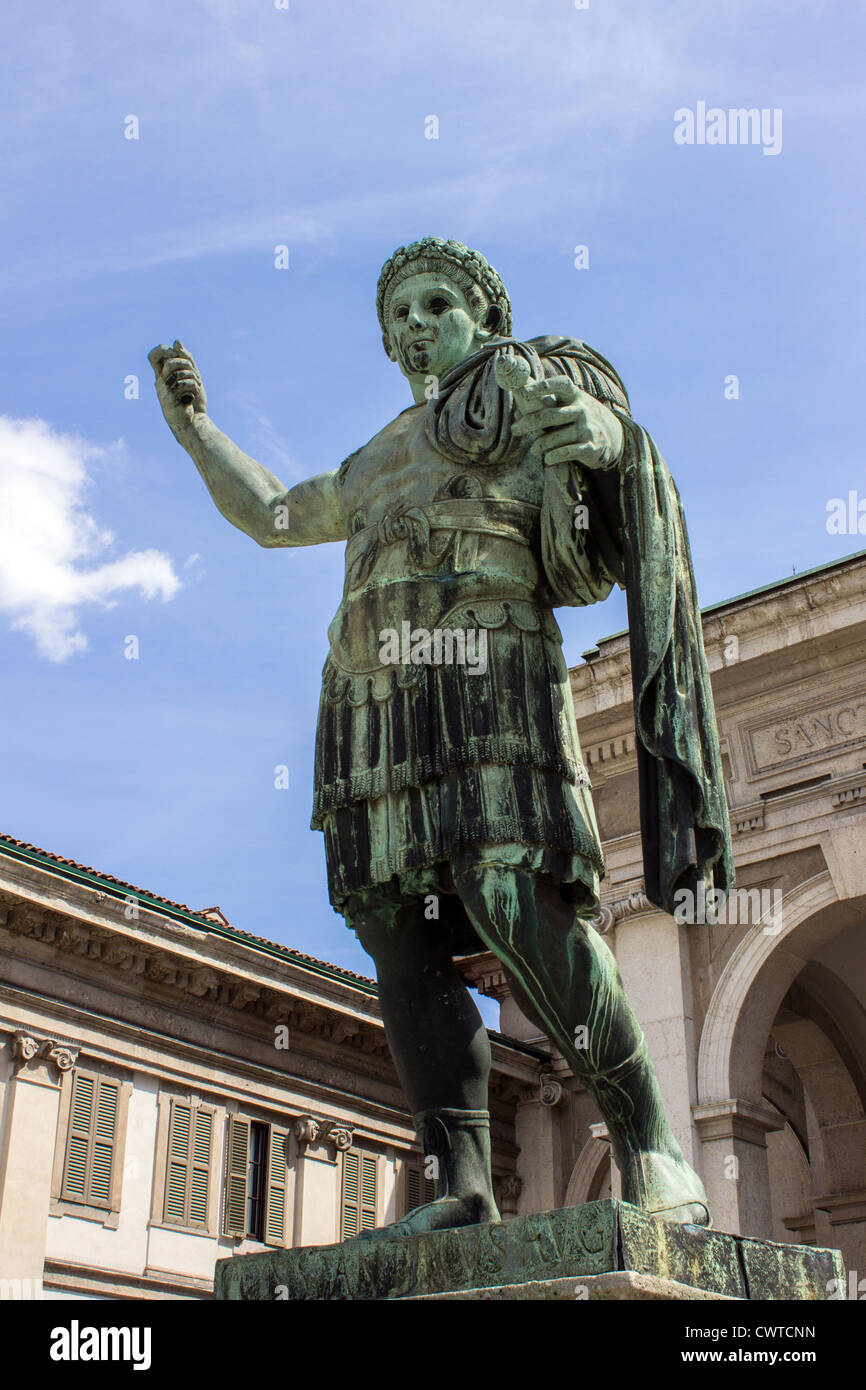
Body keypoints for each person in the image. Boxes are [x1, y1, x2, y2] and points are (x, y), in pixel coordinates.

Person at [150, 237, 732, 1238]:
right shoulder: (377, 453)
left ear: (485, 315)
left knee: (509, 890)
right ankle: (459, 1183)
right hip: (374, 699)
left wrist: (597, 437)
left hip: (488, 667)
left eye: (435, 305)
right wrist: (195, 430)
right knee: (396, 931)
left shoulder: (527, 382)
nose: (415, 326)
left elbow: (604, 469)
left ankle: (648, 1144)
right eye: (398, 318)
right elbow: (274, 514)